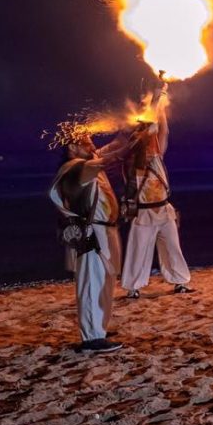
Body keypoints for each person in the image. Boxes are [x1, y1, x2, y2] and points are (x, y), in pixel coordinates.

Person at [49, 128, 144, 352]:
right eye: (87, 143)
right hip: (92, 233)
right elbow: (112, 156)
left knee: (104, 283)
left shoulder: (88, 163)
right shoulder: (74, 168)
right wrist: (133, 143)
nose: (92, 147)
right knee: (92, 284)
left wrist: (133, 130)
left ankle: (98, 328)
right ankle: (92, 338)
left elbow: (113, 147)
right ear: (72, 147)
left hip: (105, 231)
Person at [120, 87, 195, 298]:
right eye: (148, 140)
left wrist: (160, 101)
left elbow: (163, 131)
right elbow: (146, 134)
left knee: (172, 247)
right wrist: (155, 102)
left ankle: (179, 282)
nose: (153, 143)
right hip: (144, 214)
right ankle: (133, 287)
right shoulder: (133, 164)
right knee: (138, 250)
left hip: (164, 211)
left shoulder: (157, 158)